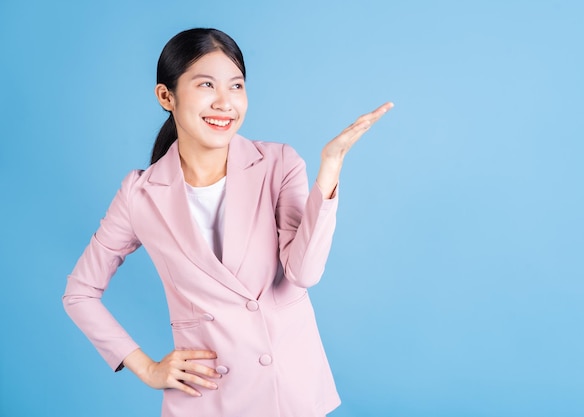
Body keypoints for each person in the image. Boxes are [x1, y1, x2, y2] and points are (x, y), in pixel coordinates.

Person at [63, 28, 392, 417]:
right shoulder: (140, 194)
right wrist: (147, 368)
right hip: (208, 398)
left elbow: (303, 273)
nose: (225, 103)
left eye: (236, 86)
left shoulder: (278, 164)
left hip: (287, 391)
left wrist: (331, 170)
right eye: (206, 84)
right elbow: (79, 293)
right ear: (166, 96)